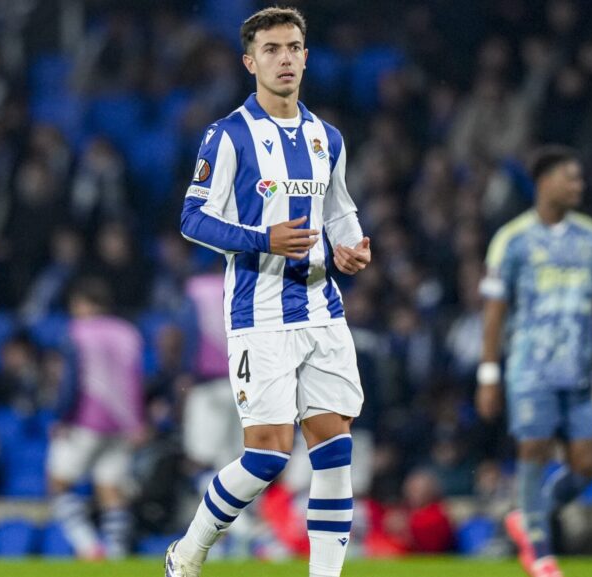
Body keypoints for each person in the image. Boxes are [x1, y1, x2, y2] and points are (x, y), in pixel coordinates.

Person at [166, 7, 371, 577]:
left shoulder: (326, 137)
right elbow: (192, 219)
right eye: (273, 49)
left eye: (294, 47)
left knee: (335, 446)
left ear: (306, 56)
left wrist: (352, 247)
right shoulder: (227, 134)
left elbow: (341, 210)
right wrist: (263, 239)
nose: (285, 58)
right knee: (267, 455)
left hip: (323, 310)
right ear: (250, 61)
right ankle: (189, 551)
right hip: (260, 315)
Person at [476, 146, 592, 577]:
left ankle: (527, 515)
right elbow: (495, 311)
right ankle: (539, 550)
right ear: (544, 183)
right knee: (534, 448)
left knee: (587, 464)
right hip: (530, 365)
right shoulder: (512, 239)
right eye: (570, 178)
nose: (578, 186)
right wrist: (489, 374)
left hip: (578, 368)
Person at [47, 278, 146, 559]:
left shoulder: (78, 332)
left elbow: (71, 379)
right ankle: (116, 554)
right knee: (110, 488)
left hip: (85, 420)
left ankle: (88, 546)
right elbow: (136, 380)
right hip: (124, 424)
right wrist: (138, 422)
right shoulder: (129, 332)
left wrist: (61, 416)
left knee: (58, 482)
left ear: (82, 304)